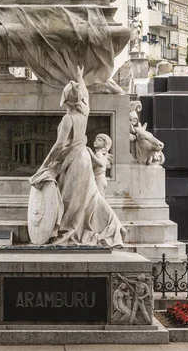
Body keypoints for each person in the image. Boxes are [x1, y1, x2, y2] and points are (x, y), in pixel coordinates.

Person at [29, 68, 126, 247]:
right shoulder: (84, 112)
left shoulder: (68, 119)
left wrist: (44, 164)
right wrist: (80, 77)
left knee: (70, 198)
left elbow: (59, 145)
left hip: (74, 161)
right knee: (81, 197)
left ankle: (67, 230)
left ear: (65, 100)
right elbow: (86, 95)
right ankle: (78, 227)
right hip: (84, 158)